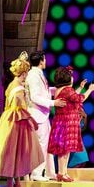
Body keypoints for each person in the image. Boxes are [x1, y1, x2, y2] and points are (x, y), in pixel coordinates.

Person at [0, 52, 44, 187]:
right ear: (24, 73)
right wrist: (32, 121)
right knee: (17, 152)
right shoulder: (19, 88)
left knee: (11, 152)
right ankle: (12, 183)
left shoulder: (11, 85)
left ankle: (16, 182)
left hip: (7, 120)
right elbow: (21, 108)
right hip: (17, 121)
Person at [47, 66, 94, 182]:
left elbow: (73, 96)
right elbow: (80, 98)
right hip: (66, 124)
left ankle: (64, 172)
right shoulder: (67, 90)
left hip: (63, 122)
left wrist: (80, 87)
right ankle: (61, 172)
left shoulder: (62, 90)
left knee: (66, 149)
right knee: (63, 150)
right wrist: (90, 89)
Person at [27, 51, 66, 181]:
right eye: (45, 59)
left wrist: (59, 90)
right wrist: (53, 102)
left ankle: (50, 172)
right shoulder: (33, 76)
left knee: (48, 144)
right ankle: (36, 173)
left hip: (43, 115)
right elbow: (34, 97)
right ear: (41, 61)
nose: (46, 61)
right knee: (41, 145)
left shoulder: (38, 74)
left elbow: (44, 91)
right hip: (37, 116)